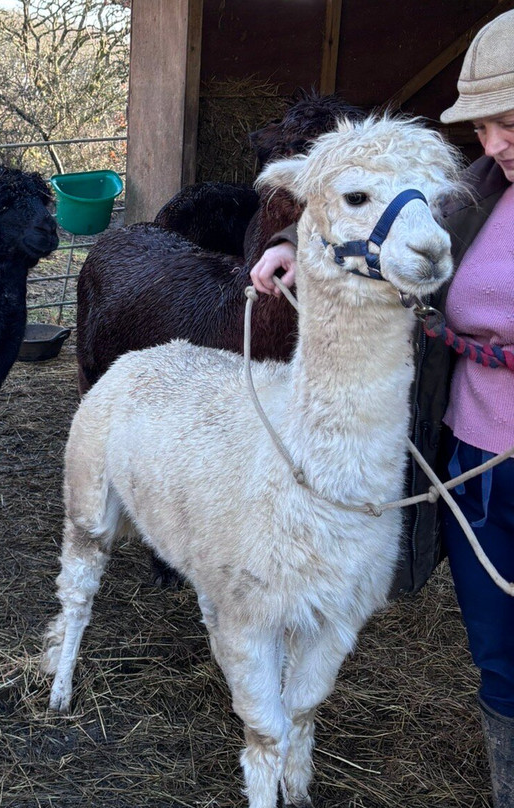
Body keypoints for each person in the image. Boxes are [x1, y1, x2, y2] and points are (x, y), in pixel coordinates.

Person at [250, 10, 514, 805]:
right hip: (475, 454)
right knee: (496, 642)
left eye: (511, 120)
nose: (496, 142)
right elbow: (379, 215)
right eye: (489, 126)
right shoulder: (472, 196)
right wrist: (301, 247)